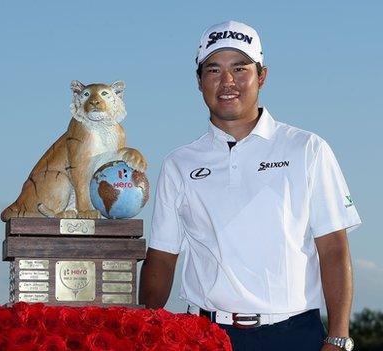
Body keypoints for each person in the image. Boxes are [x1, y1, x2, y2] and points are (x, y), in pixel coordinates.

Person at [139, 20, 361, 351]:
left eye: (240, 68)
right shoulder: (178, 163)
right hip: (205, 335)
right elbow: (162, 258)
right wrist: (142, 331)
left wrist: (338, 336)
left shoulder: (307, 148)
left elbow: (333, 248)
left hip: (294, 334)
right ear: (199, 82)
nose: (227, 81)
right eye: (213, 70)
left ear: (262, 76)